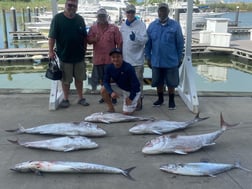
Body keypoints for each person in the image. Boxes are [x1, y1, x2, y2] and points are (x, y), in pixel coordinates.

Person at [48, 0, 89, 108]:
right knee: (66, 80)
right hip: (65, 55)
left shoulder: (80, 19)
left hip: (79, 56)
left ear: (77, 7)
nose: (71, 7)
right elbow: (52, 36)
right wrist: (50, 50)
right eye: (69, 5)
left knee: (79, 79)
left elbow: (84, 37)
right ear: (65, 5)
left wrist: (84, 51)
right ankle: (66, 99)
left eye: (74, 6)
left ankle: (81, 98)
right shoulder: (57, 19)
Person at [145, 3, 184, 110]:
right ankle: (160, 99)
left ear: (168, 12)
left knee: (172, 83)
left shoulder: (175, 25)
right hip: (156, 61)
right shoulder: (152, 26)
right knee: (158, 82)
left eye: (164, 10)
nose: (162, 12)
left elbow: (180, 43)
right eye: (160, 10)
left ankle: (171, 100)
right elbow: (148, 44)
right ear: (158, 12)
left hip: (171, 61)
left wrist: (179, 57)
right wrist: (148, 57)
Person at [87, 8, 122, 104]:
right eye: (100, 16)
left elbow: (119, 42)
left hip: (110, 60)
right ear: (97, 17)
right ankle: (105, 95)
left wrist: (118, 55)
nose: (101, 18)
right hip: (98, 59)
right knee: (102, 79)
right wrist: (95, 39)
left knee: (112, 78)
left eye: (103, 16)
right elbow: (88, 41)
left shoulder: (114, 28)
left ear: (106, 17)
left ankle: (113, 96)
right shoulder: (93, 28)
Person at [120, 4, 148, 111]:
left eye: (132, 12)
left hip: (137, 60)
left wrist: (136, 38)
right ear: (125, 13)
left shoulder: (141, 25)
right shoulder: (123, 26)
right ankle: (128, 101)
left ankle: (139, 102)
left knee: (138, 83)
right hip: (125, 61)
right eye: (128, 12)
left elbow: (145, 40)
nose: (130, 14)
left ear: (135, 13)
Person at [101, 48, 141, 115]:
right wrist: (111, 92)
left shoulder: (129, 67)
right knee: (103, 89)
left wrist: (131, 98)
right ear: (111, 58)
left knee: (126, 113)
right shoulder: (109, 67)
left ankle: (137, 101)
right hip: (121, 87)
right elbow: (105, 82)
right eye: (113, 57)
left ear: (122, 57)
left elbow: (135, 85)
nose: (116, 59)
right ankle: (111, 108)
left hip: (131, 90)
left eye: (118, 57)